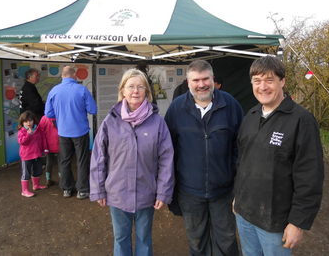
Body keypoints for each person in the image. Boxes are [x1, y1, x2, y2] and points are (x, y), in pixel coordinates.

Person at [233, 56, 324, 256]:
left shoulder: (302, 120)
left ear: (282, 81)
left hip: (276, 223)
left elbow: (310, 176)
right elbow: (243, 162)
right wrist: (237, 198)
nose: (263, 87)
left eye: (269, 80)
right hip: (244, 214)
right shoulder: (251, 115)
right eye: (257, 81)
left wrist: (297, 223)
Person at [90, 68, 174, 256]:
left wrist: (163, 192)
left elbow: (167, 159)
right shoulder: (110, 121)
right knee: (121, 238)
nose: (135, 91)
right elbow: (98, 156)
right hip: (117, 193)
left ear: (147, 92)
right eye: (131, 86)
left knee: (144, 238)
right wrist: (98, 188)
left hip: (146, 193)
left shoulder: (157, 123)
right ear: (123, 91)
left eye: (140, 87)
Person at [165, 60, 244, 256]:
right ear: (188, 82)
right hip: (190, 193)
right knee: (197, 242)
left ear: (213, 79)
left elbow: (241, 146)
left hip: (224, 192)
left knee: (226, 241)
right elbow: (168, 150)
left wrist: (234, 176)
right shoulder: (176, 109)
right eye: (196, 80)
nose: (201, 84)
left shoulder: (231, 105)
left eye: (205, 79)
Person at [45, 66, 97, 199]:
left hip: (63, 132)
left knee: (65, 161)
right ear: (74, 75)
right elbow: (93, 110)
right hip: (80, 132)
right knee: (82, 160)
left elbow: (48, 113)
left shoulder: (54, 91)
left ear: (62, 76)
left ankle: (67, 189)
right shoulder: (82, 89)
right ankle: (82, 190)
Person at [17, 110, 48, 198]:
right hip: (26, 156)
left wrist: (45, 149)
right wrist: (28, 134)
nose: (29, 123)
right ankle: (24, 190)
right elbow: (22, 142)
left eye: (30, 121)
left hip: (37, 154)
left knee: (37, 170)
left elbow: (43, 139)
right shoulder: (22, 131)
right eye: (26, 121)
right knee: (26, 172)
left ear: (34, 120)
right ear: (22, 122)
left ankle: (36, 185)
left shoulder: (38, 129)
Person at [38, 115, 60, 187]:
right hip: (59, 144)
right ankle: (62, 179)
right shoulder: (60, 115)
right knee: (61, 162)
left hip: (48, 145)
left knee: (49, 162)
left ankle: (48, 180)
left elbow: (40, 131)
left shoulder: (44, 118)